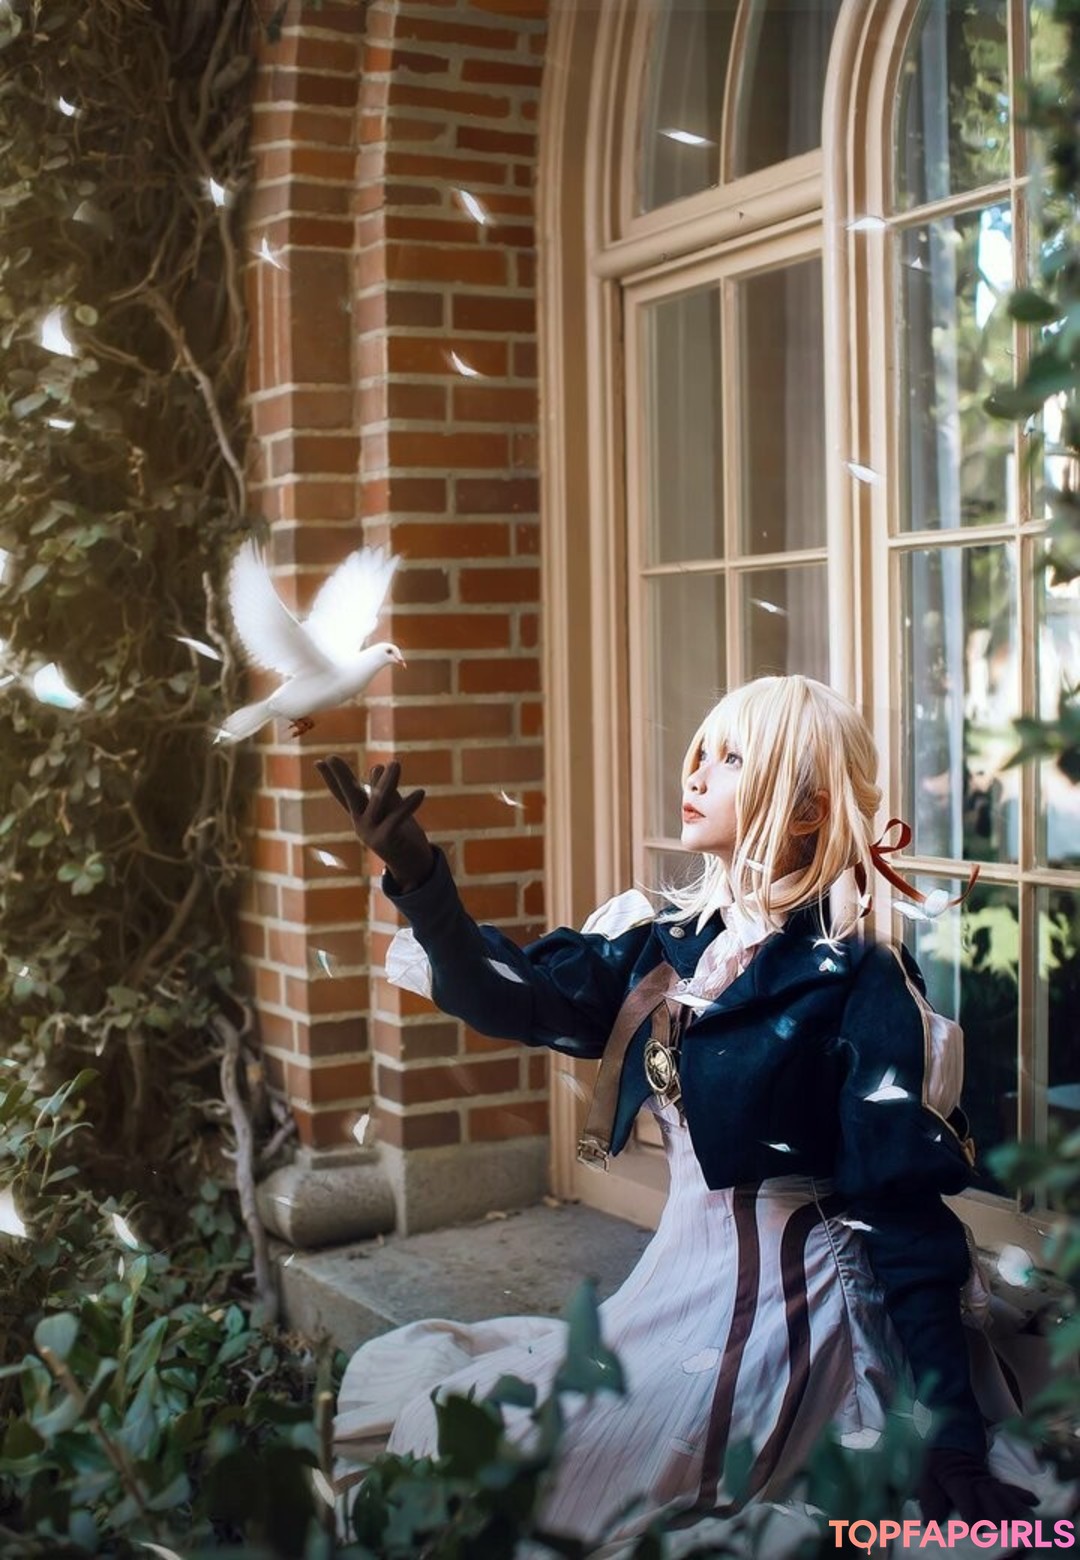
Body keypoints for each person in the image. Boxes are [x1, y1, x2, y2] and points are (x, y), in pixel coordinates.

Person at [318, 675, 1043, 1550]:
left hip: (800, 1310)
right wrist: (422, 880)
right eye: (701, 752)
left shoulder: (860, 978)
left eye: (730, 759)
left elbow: (899, 1208)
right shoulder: (667, 943)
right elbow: (518, 998)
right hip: (675, 1286)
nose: (695, 774)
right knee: (460, 1436)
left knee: (557, 1485)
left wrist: (949, 1432)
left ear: (807, 811)